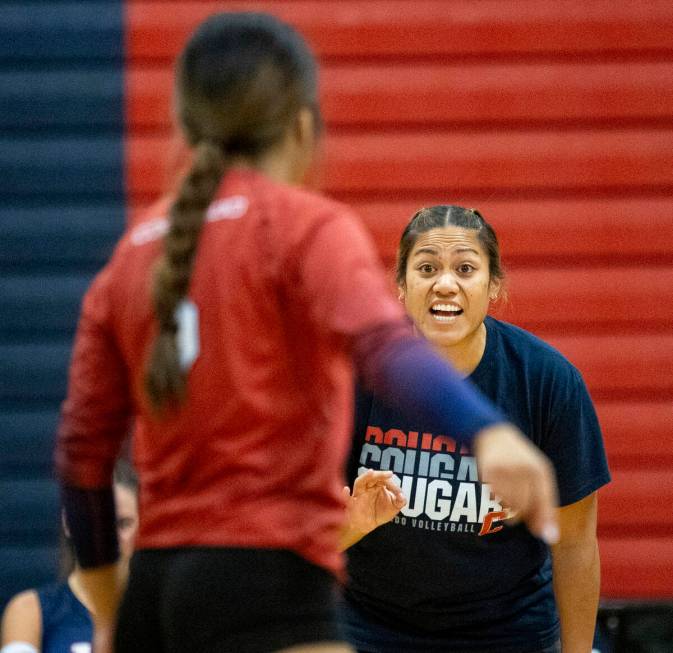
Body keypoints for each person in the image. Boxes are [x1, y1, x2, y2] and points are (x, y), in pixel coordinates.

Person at [53, 14, 559, 653]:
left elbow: (80, 454)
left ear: (185, 128)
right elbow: (384, 346)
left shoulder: (130, 255)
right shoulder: (303, 228)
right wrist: (486, 430)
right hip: (268, 580)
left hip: (155, 592)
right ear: (302, 124)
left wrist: (107, 609)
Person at [339, 205, 611, 653]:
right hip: (371, 626)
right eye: (426, 268)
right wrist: (353, 525)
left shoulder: (546, 380)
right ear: (402, 288)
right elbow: (303, 541)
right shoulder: (354, 376)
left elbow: (576, 541)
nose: (445, 284)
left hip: (510, 630)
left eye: (465, 268)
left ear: (493, 287)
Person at [1, 460, 138, 653]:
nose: (108, 537)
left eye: (123, 523)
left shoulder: (160, 615)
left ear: (144, 527)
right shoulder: (30, 610)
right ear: (69, 522)